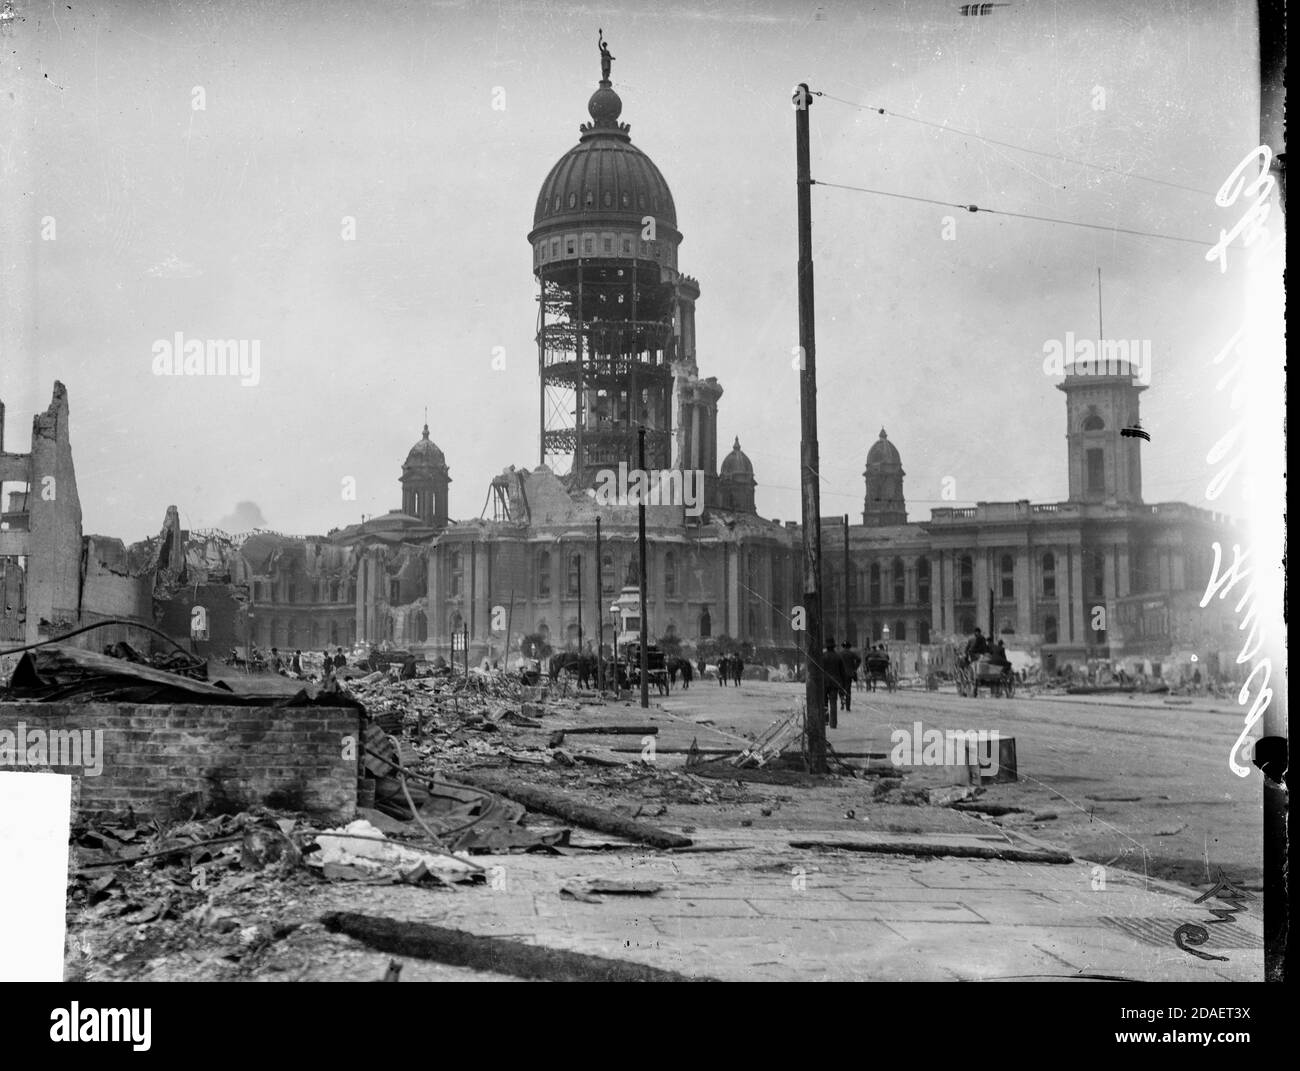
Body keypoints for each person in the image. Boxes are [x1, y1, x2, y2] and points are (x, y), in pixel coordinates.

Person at [821, 637, 845, 724]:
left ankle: (825, 720)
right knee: (833, 702)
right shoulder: (838, 656)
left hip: (824, 682)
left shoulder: (822, 656)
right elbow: (842, 672)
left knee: (824, 703)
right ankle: (833, 722)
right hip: (835, 682)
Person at [840, 641, 860, 709]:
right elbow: (859, 659)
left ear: (843, 647)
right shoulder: (851, 653)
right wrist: (855, 667)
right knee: (848, 690)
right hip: (849, 674)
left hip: (841, 674)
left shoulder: (840, 653)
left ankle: (842, 701)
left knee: (841, 688)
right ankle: (848, 706)